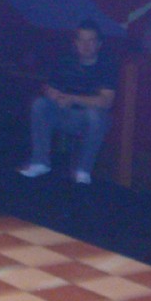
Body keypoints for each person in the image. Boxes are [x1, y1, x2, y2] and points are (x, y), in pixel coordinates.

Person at [17, 20, 117, 185]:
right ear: (75, 43)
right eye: (81, 40)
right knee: (40, 104)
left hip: (92, 120)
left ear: (99, 44)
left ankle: (83, 171)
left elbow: (106, 101)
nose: (85, 45)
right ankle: (40, 162)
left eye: (90, 41)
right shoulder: (66, 61)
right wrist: (56, 96)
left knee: (95, 116)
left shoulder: (107, 65)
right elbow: (49, 87)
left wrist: (73, 98)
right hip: (66, 114)